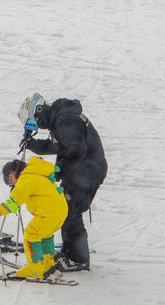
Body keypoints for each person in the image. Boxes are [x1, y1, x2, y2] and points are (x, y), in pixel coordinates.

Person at [22, 95, 108, 272]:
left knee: (70, 211)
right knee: (66, 209)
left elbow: (77, 150)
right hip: (81, 171)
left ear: (40, 111)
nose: (37, 126)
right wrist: (33, 144)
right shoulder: (60, 119)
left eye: (35, 122)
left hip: (86, 172)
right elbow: (58, 145)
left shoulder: (65, 119)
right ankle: (70, 252)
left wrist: (58, 170)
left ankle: (78, 259)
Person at [0, 157, 68, 279]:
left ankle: (35, 268)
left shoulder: (26, 178)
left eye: (10, 181)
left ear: (12, 173)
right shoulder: (34, 173)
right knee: (45, 235)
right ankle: (47, 264)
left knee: (31, 234)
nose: (12, 184)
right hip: (60, 211)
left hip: (49, 213)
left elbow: (15, 201)